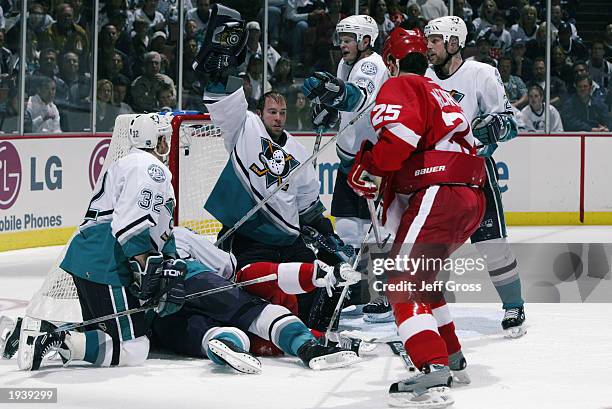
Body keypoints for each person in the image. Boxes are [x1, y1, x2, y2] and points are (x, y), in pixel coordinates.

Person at [346, 27, 485, 408]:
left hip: (439, 191)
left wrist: (369, 168)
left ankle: (431, 367)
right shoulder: (440, 90)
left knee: (399, 280)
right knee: (422, 281)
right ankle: (452, 358)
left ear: (391, 61)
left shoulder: (401, 85)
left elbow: (398, 145)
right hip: (470, 196)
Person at [198, 4, 354, 332]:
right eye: (272, 112)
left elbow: (308, 207)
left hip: (286, 238)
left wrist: (326, 232)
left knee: (326, 276)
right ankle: (263, 327)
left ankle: (319, 330)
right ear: (261, 111)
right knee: (250, 287)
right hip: (249, 235)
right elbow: (223, 102)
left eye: (282, 112)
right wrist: (224, 69)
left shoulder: (298, 152)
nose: (278, 117)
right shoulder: (244, 128)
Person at [17, 113, 185, 371]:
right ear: (159, 141)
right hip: (108, 262)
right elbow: (131, 224)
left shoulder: (129, 163)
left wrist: (170, 260)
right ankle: (60, 339)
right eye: (166, 139)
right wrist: (145, 266)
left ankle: (39, 331)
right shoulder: (150, 168)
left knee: (100, 334)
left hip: (91, 258)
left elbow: (160, 227)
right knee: (134, 348)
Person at [424, 16, 526, 337]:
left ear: (454, 43)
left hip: (475, 175)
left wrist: (496, 127)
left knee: (492, 246)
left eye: (435, 40)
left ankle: (513, 305)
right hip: (438, 178)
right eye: (428, 40)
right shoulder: (424, 79)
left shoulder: (481, 73)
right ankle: (429, 311)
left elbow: (510, 125)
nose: (428, 46)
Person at [150, 226, 363, 373]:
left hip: (157, 313)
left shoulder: (122, 244)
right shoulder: (177, 234)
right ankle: (307, 345)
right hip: (196, 279)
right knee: (251, 308)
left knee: (196, 331)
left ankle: (226, 341)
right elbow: (229, 267)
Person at [302, 15, 390, 321]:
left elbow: (357, 98)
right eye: (341, 39)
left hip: (371, 161)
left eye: (349, 39)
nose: (343, 45)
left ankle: (385, 294)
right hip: (348, 159)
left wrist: (332, 92)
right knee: (348, 229)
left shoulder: (372, 65)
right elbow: (342, 105)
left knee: (375, 230)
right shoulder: (345, 65)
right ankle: (355, 289)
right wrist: (326, 108)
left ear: (366, 40)